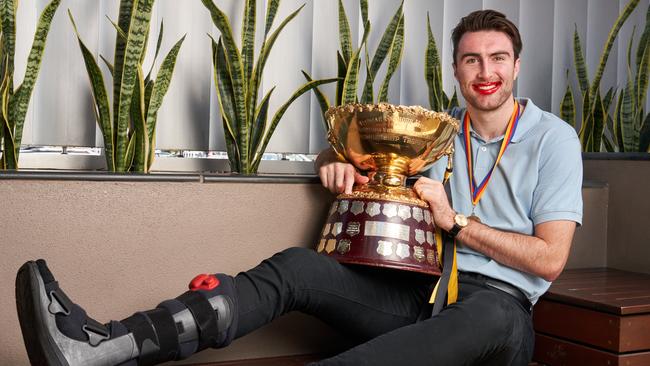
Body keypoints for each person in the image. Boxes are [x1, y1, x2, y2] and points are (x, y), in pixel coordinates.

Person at [15, 9, 582, 366]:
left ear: (516, 65)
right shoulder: (435, 133)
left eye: (498, 58)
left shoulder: (553, 140)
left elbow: (550, 258)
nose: (486, 70)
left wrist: (457, 223)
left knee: (491, 315)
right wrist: (332, 163)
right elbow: (345, 151)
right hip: (421, 295)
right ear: (455, 71)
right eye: (471, 59)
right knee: (298, 266)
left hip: (497, 313)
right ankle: (106, 345)